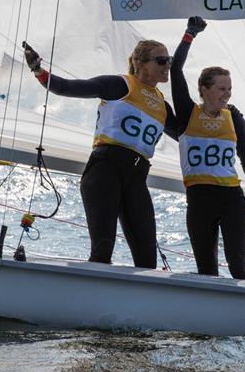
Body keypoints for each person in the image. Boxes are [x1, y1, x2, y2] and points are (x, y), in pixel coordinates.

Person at [23, 37, 179, 269]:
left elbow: (187, 133)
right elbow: (66, 87)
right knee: (102, 249)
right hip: (105, 169)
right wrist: (38, 70)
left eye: (170, 61)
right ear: (142, 64)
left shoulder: (162, 105)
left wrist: (222, 115)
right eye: (162, 61)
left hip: (136, 178)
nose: (168, 66)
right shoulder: (120, 85)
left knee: (147, 259)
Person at [171, 17, 245, 279]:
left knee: (238, 268)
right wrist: (189, 35)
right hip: (199, 199)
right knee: (207, 270)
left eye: (229, 88)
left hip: (232, 198)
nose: (227, 94)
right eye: (221, 88)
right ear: (204, 89)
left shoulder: (234, 117)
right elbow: (175, 71)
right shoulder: (187, 114)